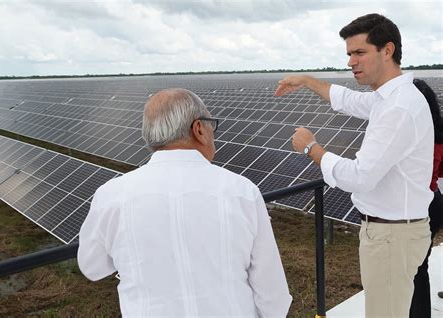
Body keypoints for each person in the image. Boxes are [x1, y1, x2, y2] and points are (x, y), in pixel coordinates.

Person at [77, 88, 292, 317]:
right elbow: (272, 295)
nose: (213, 133)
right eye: (211, 125)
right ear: (198, 128)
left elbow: (92, 267)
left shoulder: (111, 196)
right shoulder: (242, 191)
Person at [274, 13, 433, 317]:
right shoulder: (390, 98)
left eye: (360, 52)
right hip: (393, 233)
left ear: (387, 50)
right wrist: (307, 81)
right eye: (349, 54)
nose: (351, 62)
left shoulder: (397, 107)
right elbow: (348, 100)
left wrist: (311, 147)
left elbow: (360, 177)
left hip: (391, 238)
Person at [409, 79, 443, 318]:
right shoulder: (438, 136)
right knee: (420, 266)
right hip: (435, 202)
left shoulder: (413, 137)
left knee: (415, 270)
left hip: (419, 208)